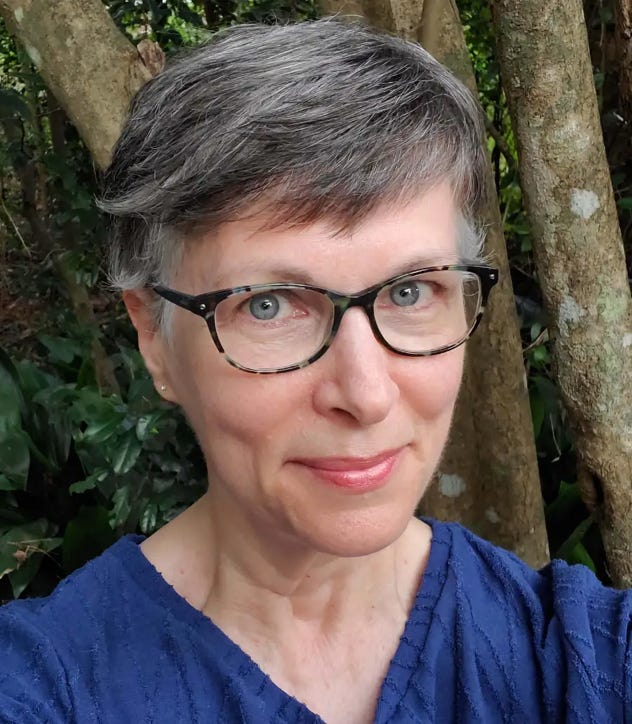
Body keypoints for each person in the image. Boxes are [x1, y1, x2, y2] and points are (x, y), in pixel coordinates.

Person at [0, 18, 630, 724]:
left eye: (410, 292)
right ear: (154, 334)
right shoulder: (45, 686)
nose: (366, 394)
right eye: (268, 305)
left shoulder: (584, 661)